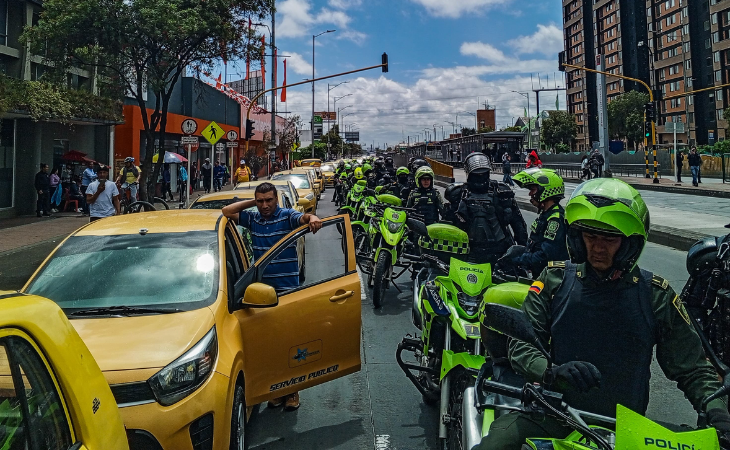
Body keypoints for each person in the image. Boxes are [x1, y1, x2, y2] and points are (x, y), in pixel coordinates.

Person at [479, 178, 730, 449]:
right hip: (554, 415)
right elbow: (522, 346)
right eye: (591, 237)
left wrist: (717, 412)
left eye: (609, 239)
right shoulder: (554, 280)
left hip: (626, 429)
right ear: (577, 239)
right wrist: (552, 373)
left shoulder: (655, 294)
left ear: (630, 244)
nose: (598, 247)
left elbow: (692, 368)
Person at [222, 182, 322, 412]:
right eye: (261, 201)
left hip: (287, 294)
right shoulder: (253, 219)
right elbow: (227, 212)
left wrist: (313, 217)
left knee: (289, 345)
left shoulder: (286, 216)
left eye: (269, 200)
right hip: (261, 295)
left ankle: (292, 391)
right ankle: (277, 391)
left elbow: (303, 219)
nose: (265, 205)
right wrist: (253, 203)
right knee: (270, 346)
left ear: (276, 199)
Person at [450, 152, 528, 264]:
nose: (480, 177)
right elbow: (448, 224)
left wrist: (522, 251)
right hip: (467, 251)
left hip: (499, 250)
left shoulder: (501, 191)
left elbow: (518, 224)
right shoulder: (459, 194)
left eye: (482, 174)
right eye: (477, 174)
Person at [502, 168, 569, 277]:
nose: (530, 194)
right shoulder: (546, 215)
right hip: (540, 274)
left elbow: (545, 256)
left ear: (545, 191)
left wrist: (518, 260)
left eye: (533, 190)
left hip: (550, 279)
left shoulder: (555, 220)